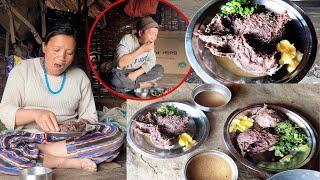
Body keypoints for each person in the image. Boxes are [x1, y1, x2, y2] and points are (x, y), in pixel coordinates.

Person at [0, 21, 124, 175]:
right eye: (56, 50)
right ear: (45, 47)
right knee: (2, 147)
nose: (62, 57)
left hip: (66, 140)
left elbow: (90, 118)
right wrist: (35, 114)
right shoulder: (23, 71)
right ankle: (64, 162)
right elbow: (5, 112)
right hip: (27, 138)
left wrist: (77, 125)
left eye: (69, 52)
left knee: (115, 135)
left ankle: (44, 153)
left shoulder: (80, 77)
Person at [108, 16, 164, 93]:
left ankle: (127, 86)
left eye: (155, 35)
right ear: (140, 33)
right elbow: (121, 63)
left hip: (136, 71)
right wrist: (142, 49)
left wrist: (135, 74)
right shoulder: (128, 39)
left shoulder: (150, 42)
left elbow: (151, 61)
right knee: (114, 80)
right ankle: (139, 86)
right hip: (121, 72)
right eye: (151, 34)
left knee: (159, 69)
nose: (153, 38)